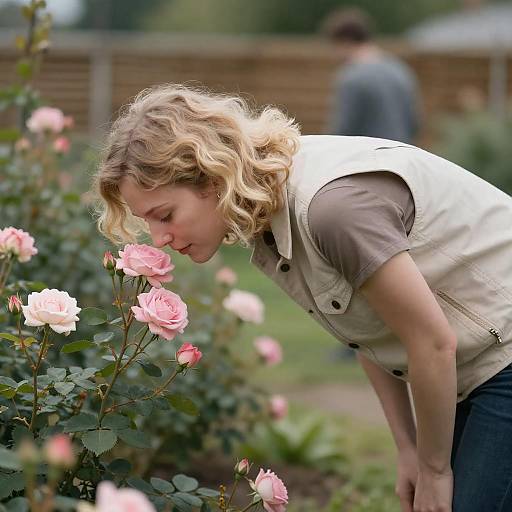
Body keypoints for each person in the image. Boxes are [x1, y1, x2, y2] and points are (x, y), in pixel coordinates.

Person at [95, 84, 512, 512]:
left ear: (212, 176)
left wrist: (434, 471)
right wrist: (409, 450)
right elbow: (370, 328)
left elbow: (432, 343)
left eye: (165, 216)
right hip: (473, 367)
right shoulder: (271, 220)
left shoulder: (331, 211)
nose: (160, 239)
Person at [323, 7, 420, 144]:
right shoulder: (400, 69)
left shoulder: (352, 78)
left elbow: (342, 132)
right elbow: (414, 123)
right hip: (402, 155)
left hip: (369, 160)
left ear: (344, 41)